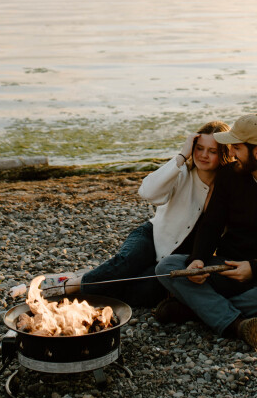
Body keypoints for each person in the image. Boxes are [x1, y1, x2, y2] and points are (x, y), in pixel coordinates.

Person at [154, 113, 257, 350]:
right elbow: (211, 225)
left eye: (237, 147)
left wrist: (255, 268)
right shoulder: (229, 175)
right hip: (226, 267)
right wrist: (198, 259)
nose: (231, 153)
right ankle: (236, 322)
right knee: (167, 267)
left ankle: (198, 311)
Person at [40, 121, 232, 306]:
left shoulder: (228, 187)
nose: (203, 155)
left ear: (224, 153)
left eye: (212, 151)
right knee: (126, 263)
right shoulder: (180, 172)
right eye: (199, 148)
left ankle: (89, 279)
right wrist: (182, 155)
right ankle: (70, 285)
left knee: (146, 293)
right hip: (151, 237)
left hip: (177, 259)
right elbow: (147, 192)